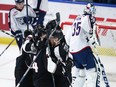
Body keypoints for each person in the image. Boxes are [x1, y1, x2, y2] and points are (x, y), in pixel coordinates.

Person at [66, 3, 97, 87]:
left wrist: (70, 48)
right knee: (91, 72)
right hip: (83, 49)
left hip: (73, 51)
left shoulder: (76, 19)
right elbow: (90, 34)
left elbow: (68, 36)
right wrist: (92, 40)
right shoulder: (87, 18)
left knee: (81, 73)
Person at [46, 20, 73, 87]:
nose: (49, 40)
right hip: (62, 74)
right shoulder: (63, 39)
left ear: (56, 39)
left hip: (60, 77)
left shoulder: (57, 50)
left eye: (51, 38)